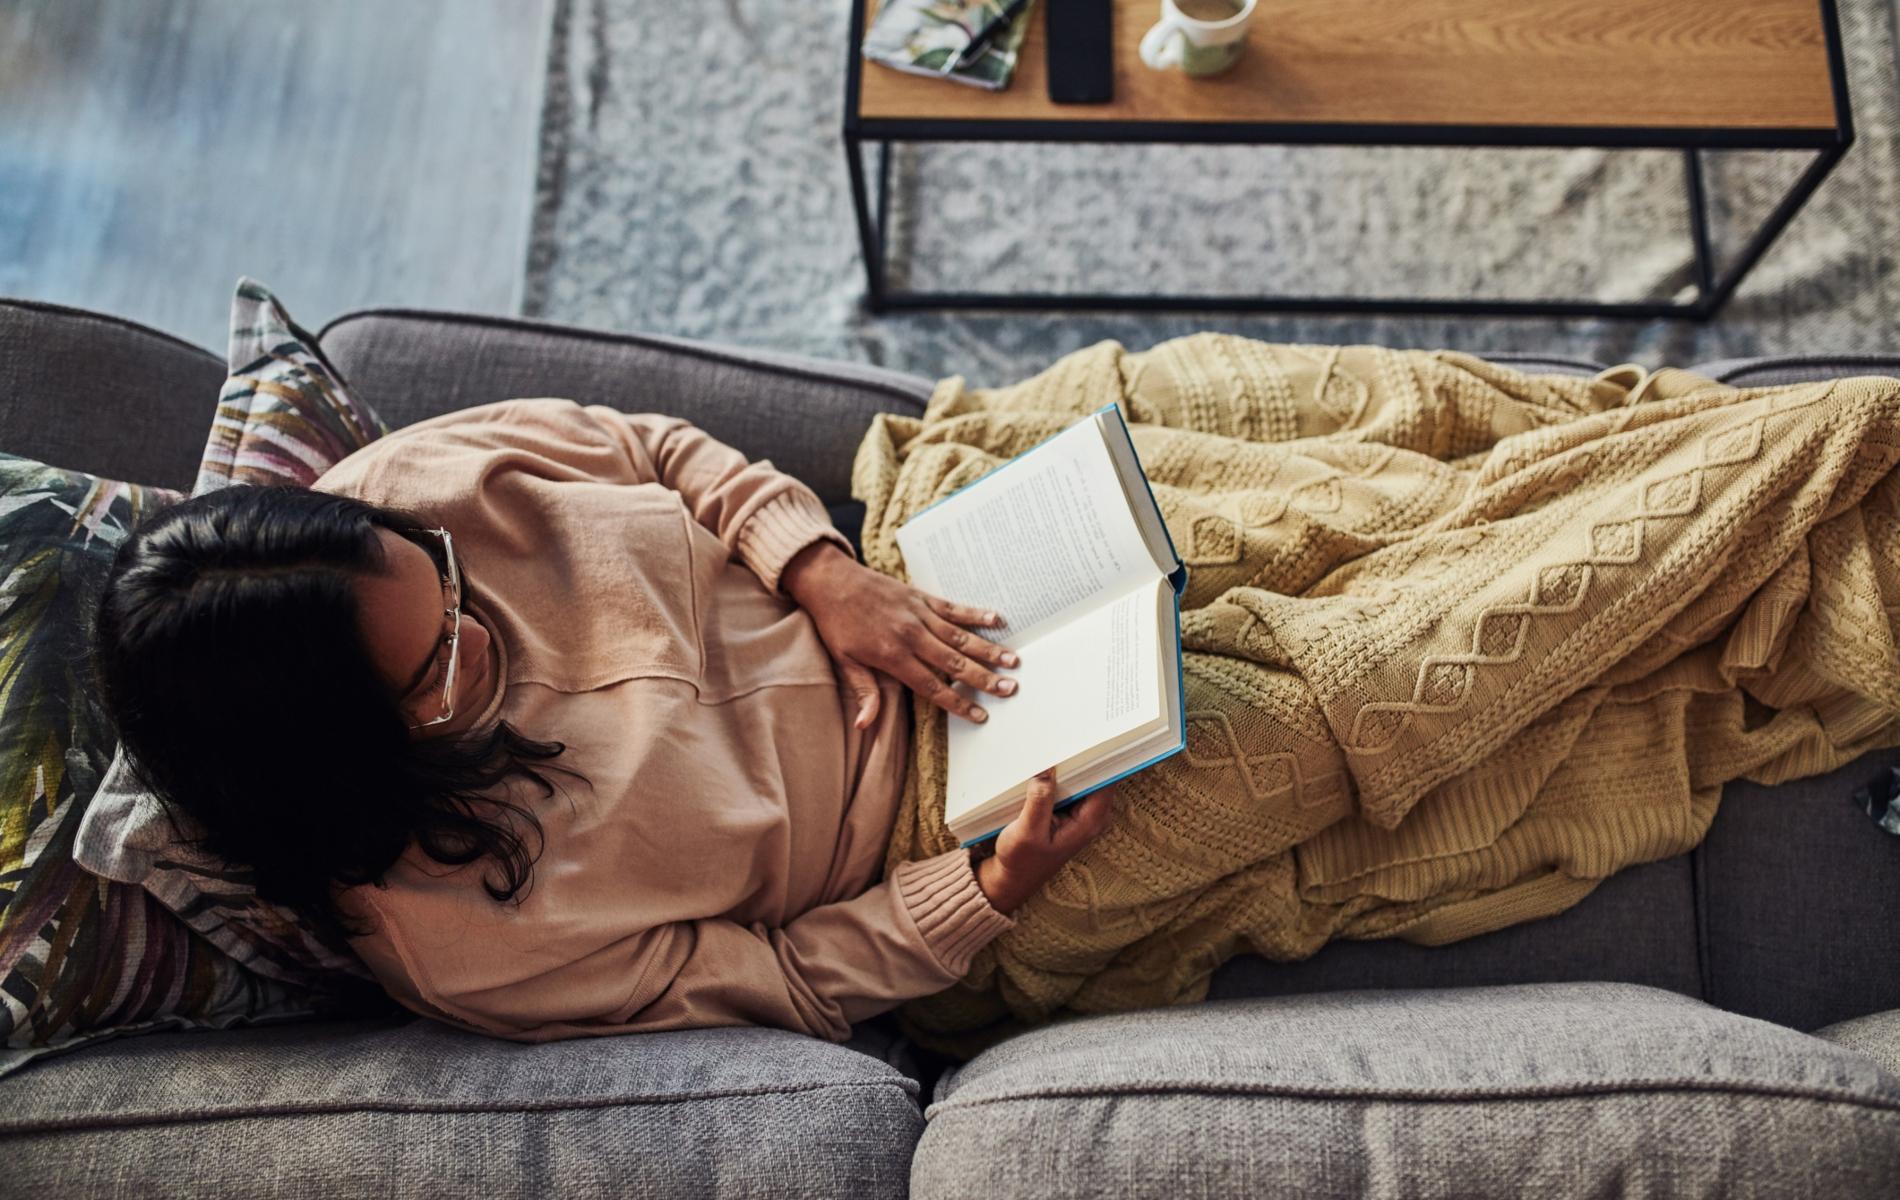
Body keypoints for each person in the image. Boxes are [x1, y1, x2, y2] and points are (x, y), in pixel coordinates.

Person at [92, 398, 1115, 1044]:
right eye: (437, 665)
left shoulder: (403, 489)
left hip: (898, 564)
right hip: (936, 832)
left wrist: (823, 572)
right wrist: (982, 891)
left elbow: (651, 448)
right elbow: (781, 981)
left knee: (1178, 429)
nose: (477, 634)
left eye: (446, 582)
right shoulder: (461, 944)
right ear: (340, 761)